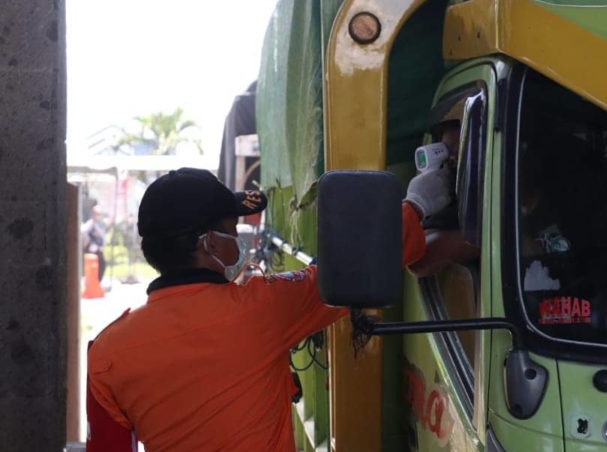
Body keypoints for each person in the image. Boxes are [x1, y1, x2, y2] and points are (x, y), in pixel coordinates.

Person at [86, 167, 449, 452]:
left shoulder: (107, 352)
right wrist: (417, 205)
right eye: (233, 229)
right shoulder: (261, 309)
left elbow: (108, 449)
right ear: (210, 242)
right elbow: (357, 264)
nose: (239, 239)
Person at [82, 205, 108, 281]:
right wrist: (87, 241)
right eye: (97, 214)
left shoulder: (99, 224)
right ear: (93, 214)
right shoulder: (90, 223)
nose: (98, 216)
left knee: (102, 265)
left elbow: (102, 236)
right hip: (92, 249)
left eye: (99, 214)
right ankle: (94, 282)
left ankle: (97, 282)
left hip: (99, 248)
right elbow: (83, 232)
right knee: (97, 265)